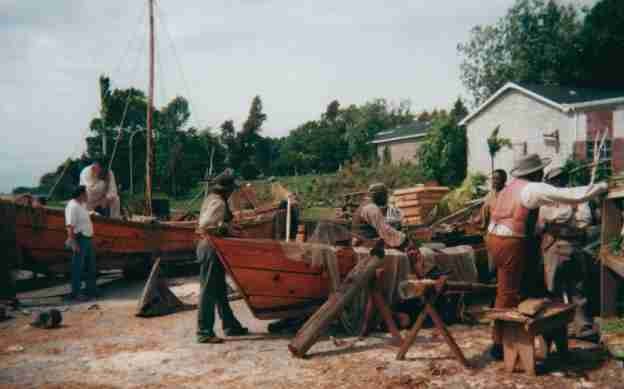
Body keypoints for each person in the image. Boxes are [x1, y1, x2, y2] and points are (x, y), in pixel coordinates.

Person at [485, 154, 607, 359]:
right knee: (509, 294)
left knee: (513, 291)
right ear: (536, 172)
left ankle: (535, 336)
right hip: (511, 241)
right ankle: (499, 345)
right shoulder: (533, 188)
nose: (542, 174)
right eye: (540, 170)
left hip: (496, 239)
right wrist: (600, 187)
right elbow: (571, 195)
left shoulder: (510, 187)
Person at [538, 166, 598, 340]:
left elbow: (584, 220)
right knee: (559, 288)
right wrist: (568, 217)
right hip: (559, 245)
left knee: (574, 288)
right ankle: (562, 328)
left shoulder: (576, 196)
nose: (557, 183)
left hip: (567, 245)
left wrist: (558, 221)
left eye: (559, 179)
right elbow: (544, 220)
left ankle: (579, 327)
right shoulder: (555, 199)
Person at [196, 170, 248, 344]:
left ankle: (230, 325)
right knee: (209, 290)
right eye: (231, 189)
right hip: (211, 247)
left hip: (212, 248)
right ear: (225, 190)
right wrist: (227, 229)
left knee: (219, 290)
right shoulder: (217, 202)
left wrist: (227, 227)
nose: (232, 192)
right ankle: (204, 331)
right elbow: (205, 225)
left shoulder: (213, 199)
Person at [65, 185, 97, 301]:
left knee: (90, 266)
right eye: (86, 193)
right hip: (80, 238)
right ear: (81, 194)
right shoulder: (72, 206)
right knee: (78, 267)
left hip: (87, 238)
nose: (87, 195)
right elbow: (70, 225)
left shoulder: (81, 205)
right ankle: (76, 293)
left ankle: (91, 290)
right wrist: (73, 242)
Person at [351, 183, 408, 249]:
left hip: (364, 245)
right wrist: (405, 240)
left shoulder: (366, 205)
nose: (386, 198)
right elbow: (385, 230)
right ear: (379, 196)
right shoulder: (371, 208)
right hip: (366, 247)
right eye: (385, 195)